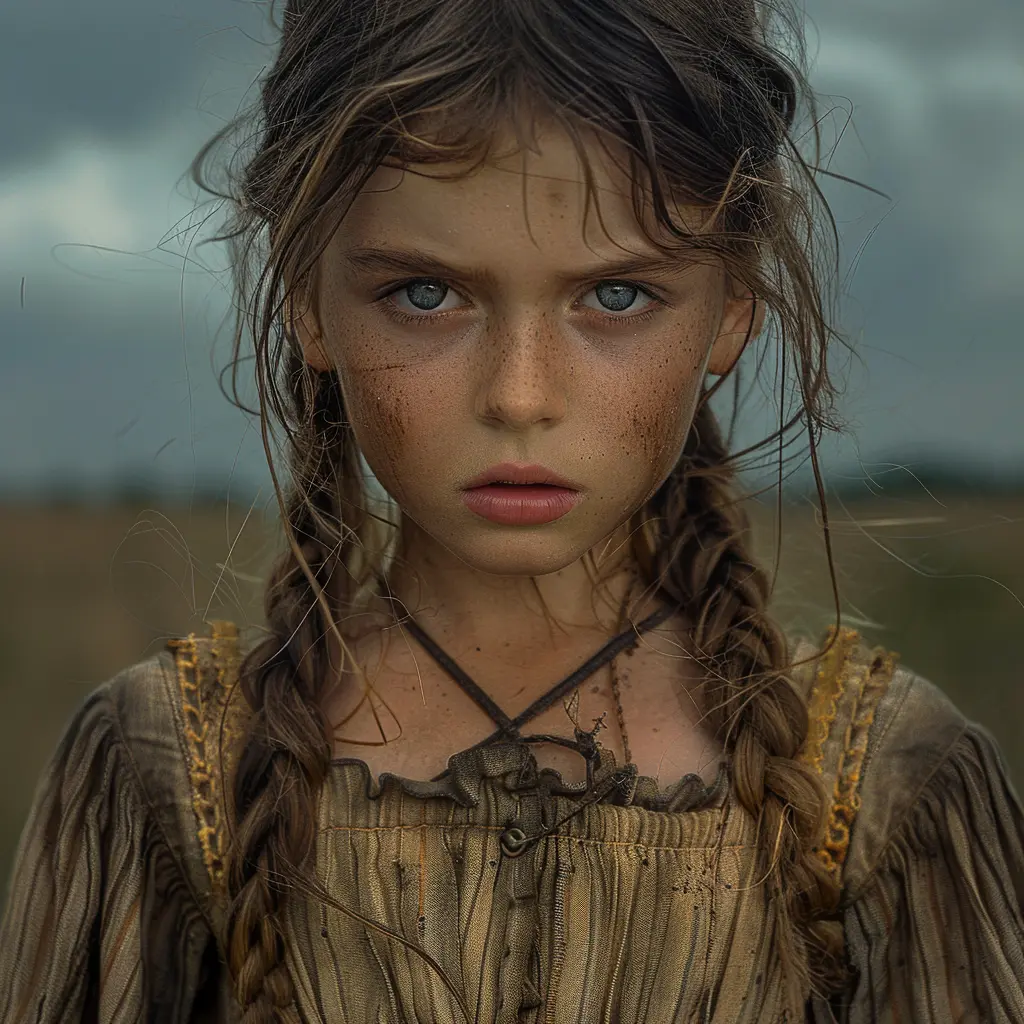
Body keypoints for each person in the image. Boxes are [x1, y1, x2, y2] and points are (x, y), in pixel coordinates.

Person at [3, 0, 1023, 1021]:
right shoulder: (164, 771)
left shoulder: (884, 788)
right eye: (425, 293)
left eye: (615, 297)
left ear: (733, 308)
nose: (520, 394)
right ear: (307, 301)